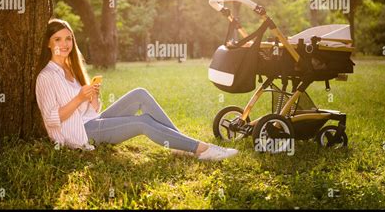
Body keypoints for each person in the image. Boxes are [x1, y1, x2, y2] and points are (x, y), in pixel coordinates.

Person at [35, 19, 238, 161]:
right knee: (143, 122)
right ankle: (202, 149)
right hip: (80, 134)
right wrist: (79, 98)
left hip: (91, 121)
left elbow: (93, 112)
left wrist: (93, 98)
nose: (64, 44)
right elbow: (51, 119)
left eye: (68, 38)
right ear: (48, 44)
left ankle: (183, 145)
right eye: (57, 39)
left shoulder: (72, 69)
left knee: (140, 93)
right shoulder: (46, 76)